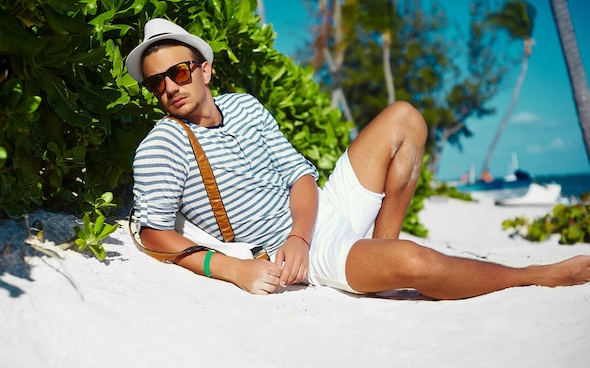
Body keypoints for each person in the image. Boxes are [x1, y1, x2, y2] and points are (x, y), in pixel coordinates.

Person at [126, 18, 590, 299]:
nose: (169, 86)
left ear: (205, 69)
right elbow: (152, 232)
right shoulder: (162, 145)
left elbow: (298, 175)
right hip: (303, 252)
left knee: (404, 117)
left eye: (179, 71)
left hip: (315, 219)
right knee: (416, 263)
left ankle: (379, 253)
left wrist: (300, 235)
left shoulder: (245, 105)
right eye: (156, 83)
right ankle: (536, 275)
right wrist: (232, 268)